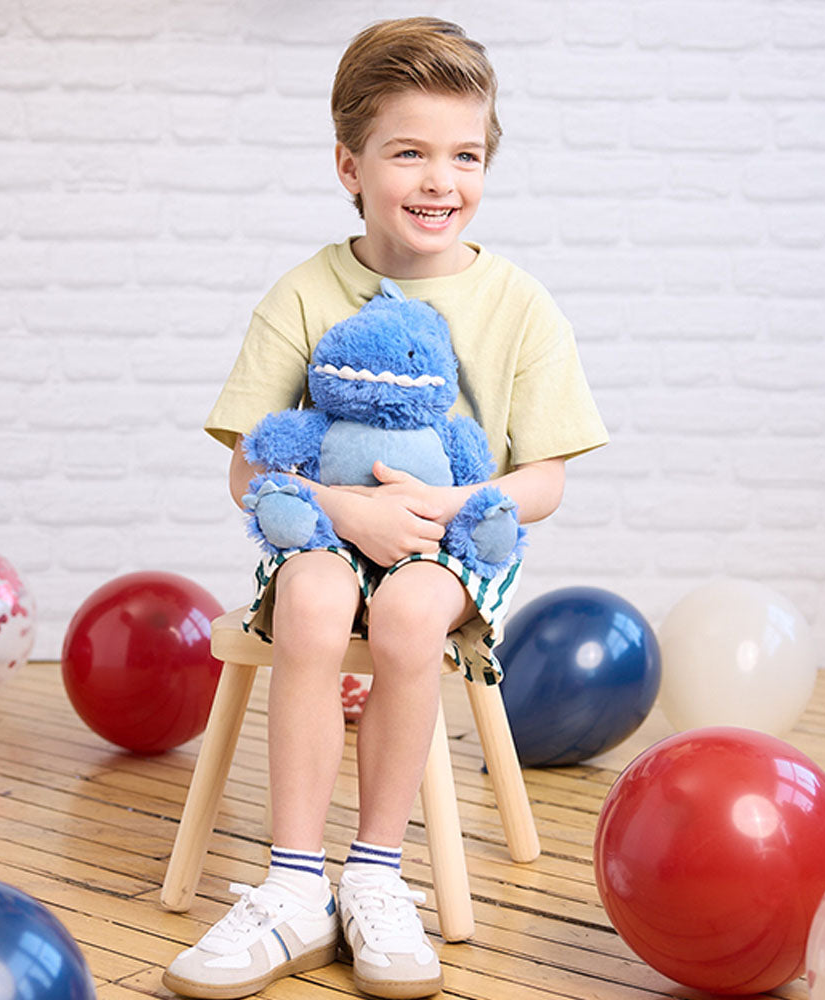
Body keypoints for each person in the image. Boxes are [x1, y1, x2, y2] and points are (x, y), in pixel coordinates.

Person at [163, 16, 608, 1000]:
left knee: (407, 614)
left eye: (463, 155)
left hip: (450, 543)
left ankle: (372, 876)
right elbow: (247, 470)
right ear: (348, 163)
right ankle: (290, 888)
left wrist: (449, 501)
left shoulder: (520, 304)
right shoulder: (304, 292)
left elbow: (543, 478)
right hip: (325, 529)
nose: (438, 181)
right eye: (408, 152)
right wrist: (338, 508)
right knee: (318, 602)